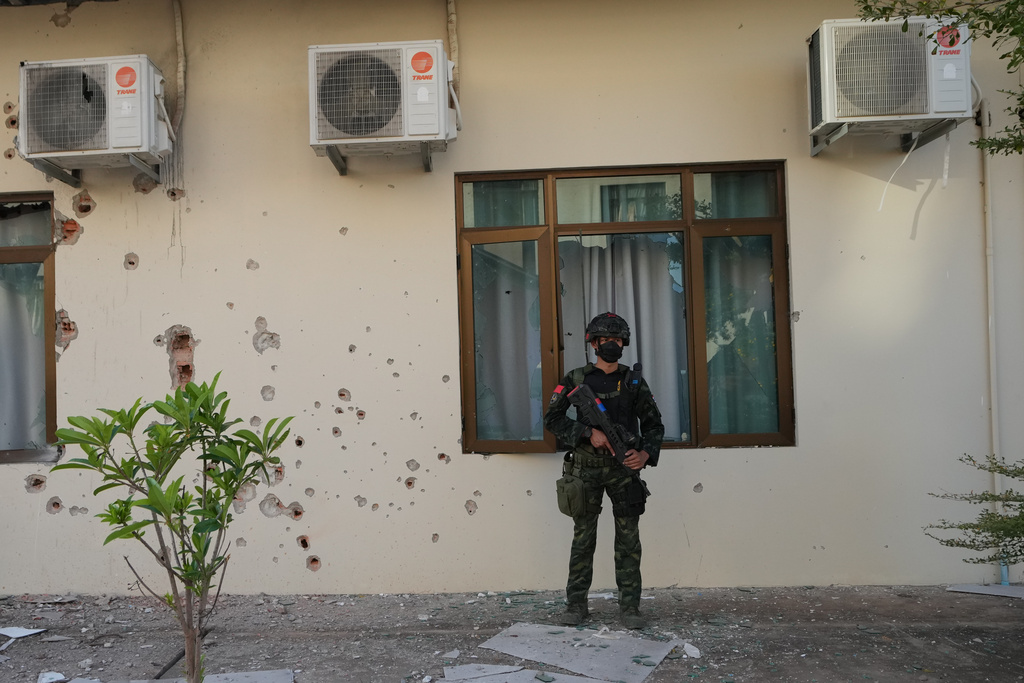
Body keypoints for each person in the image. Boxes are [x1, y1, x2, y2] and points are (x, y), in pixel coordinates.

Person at [544, 312, 665, 629]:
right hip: (586, 470)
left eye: (617, 339)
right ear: (593, 343)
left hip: (624, 470)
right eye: (605, 339)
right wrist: (586, 433)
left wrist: (645, 454)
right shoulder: (575, 379)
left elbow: (654, 426)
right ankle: (576, 606)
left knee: (628, 541)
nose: (611, 344)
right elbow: (552, 420)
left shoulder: (634, 382)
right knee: (583, 539)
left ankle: (630, 609)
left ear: (624, 343)